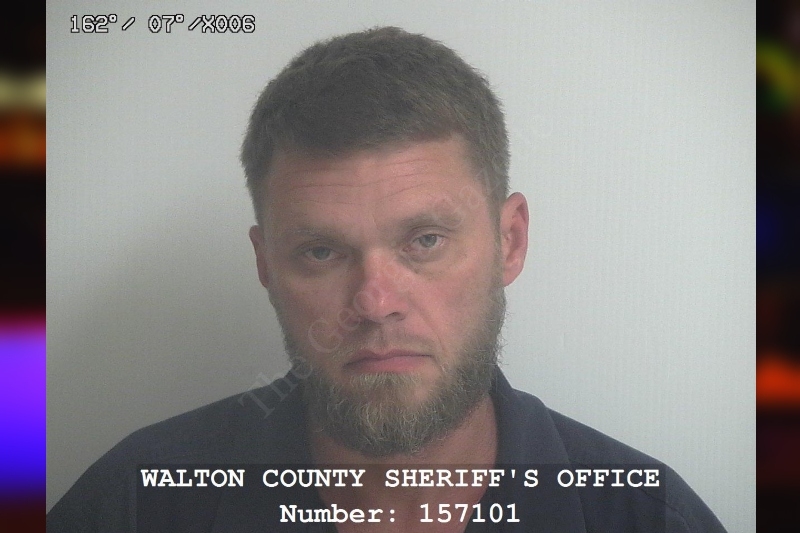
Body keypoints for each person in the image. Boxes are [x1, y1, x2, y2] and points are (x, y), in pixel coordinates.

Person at [47, 27, 726, 532]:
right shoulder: (136, 504)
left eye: (424, 241)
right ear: (266, 264)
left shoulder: (649, 517)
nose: (374, 304)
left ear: (509, 242)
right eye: (321, 251)